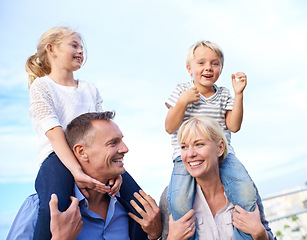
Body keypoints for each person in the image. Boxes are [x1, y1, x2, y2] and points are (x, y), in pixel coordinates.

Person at [26, 27, 122, 240]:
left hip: (94, 154)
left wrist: (113, 166)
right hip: (57, 157)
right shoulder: (42, 86)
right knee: (55, 205)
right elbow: (53, 131)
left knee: (136, 200)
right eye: (74, 45)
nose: (80, 51)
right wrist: (77, 171)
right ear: (51, 49)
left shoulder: (90, 88)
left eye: (81, 47)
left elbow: (104, 130)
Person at [7, 111, 162, 240]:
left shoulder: (134, 210)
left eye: (122, 141)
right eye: (113, 143)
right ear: (81, 152)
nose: (125, 149)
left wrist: (154, 236)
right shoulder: (38, 207)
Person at [165, 40, 257, 239]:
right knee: (179, 200)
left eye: (215, 63)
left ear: (221, 69)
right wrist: (182, 102)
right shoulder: (182, 91)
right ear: (189, 68)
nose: (208, 67)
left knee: (246, 191)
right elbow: (170, 127)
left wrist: (239, 94)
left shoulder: (223, 94)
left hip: (223, 154)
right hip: (186, 158)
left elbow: (234, 126)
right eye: (201, 63)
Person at [159, 116, 276, 240]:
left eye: (199, 144)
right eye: (184, 147)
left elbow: (267, 234)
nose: (190, 154)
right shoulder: (170, 197)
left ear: (220, 148)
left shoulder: (244, 189)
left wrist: (260, 234)